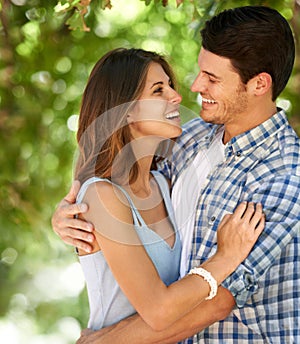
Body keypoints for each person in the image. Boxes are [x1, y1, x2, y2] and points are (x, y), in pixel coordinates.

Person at [52, 6, 300, 344]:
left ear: (259, 84)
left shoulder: (286, 175)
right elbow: (124, 184)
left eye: (212, 79)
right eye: (201, 71)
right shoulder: (192, 138)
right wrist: (71, 214)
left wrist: (103, 341)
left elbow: (214, 304)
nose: (193, 87)